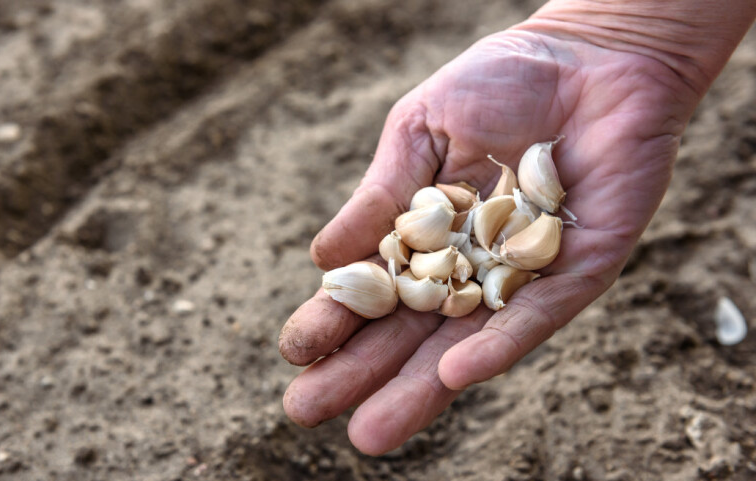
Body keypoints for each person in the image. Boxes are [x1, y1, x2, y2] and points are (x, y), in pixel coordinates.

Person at [278, 0, 756, 456]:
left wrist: (625, 36)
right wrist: (620, 31)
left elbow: (470, 241)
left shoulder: (471, 236)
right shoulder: (447, 242)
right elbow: (457, 239)